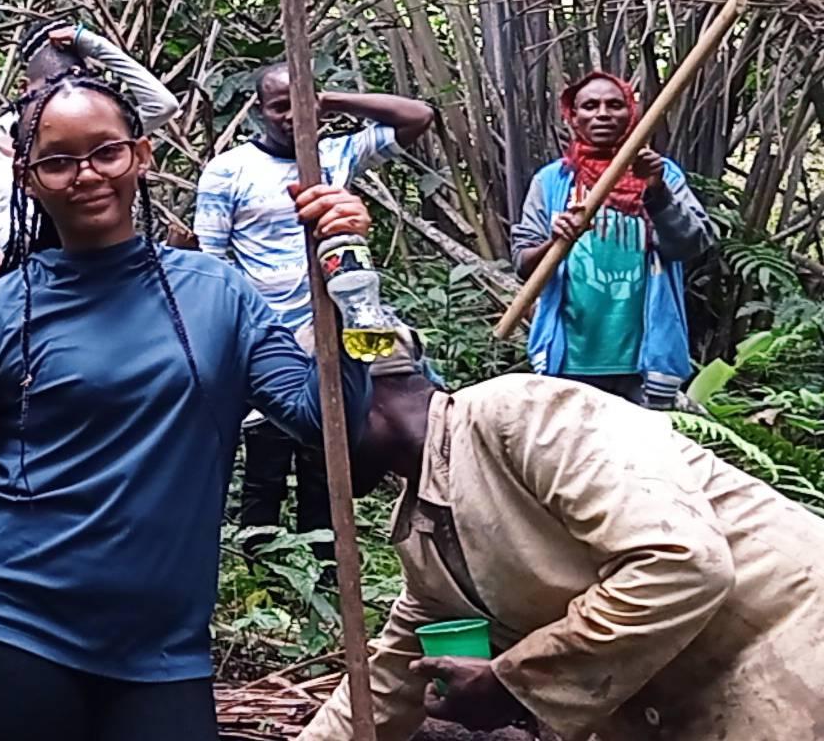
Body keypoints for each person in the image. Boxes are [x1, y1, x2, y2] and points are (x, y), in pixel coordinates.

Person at [0, 71, 372, 741]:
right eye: (58, 161)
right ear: (27, 178)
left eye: (106, 152)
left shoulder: (218, 296)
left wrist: (347, 281)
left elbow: (326, 421)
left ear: (142, 155)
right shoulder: (0, 310)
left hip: (162, 656)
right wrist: (15, 503)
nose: (86, 175)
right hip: (8, 634)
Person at [298, 368, 824, 741]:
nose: (306, 448)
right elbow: (391, 679)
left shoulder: (518, 414)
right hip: (688, 707)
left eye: (305, 421)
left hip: (791, 649)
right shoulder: (422, 528)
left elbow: (681, 563)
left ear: (359, 391)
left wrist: (513, 681)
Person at [195, 63, 432, 563]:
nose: (291, 117)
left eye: (300, 105)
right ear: (259, 111)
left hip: (333, 330)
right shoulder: (229, 170)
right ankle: (264, 569)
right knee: (265, 465)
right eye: (280, 106)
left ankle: (326, 569)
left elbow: (418, 117)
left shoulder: (335, 154)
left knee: (327, 462)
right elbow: (212, 261)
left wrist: (332, 100)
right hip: (268, 339)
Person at [511, 70, 714, 409]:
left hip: (644, 363)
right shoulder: (552, 181)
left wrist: (656, 190)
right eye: (590, 106)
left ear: (631, 112)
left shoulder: (662, 174)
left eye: (614, 105)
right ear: (573, 117)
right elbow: (523, 265)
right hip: (568, 362)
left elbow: (691, 246)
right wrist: (555, 244)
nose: (602, 113)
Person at [0, 21, 179, 253]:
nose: (62, 95)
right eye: (56, 163)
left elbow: (162, 105)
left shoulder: (102, 131)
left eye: (73, 83)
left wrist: (94, 45)